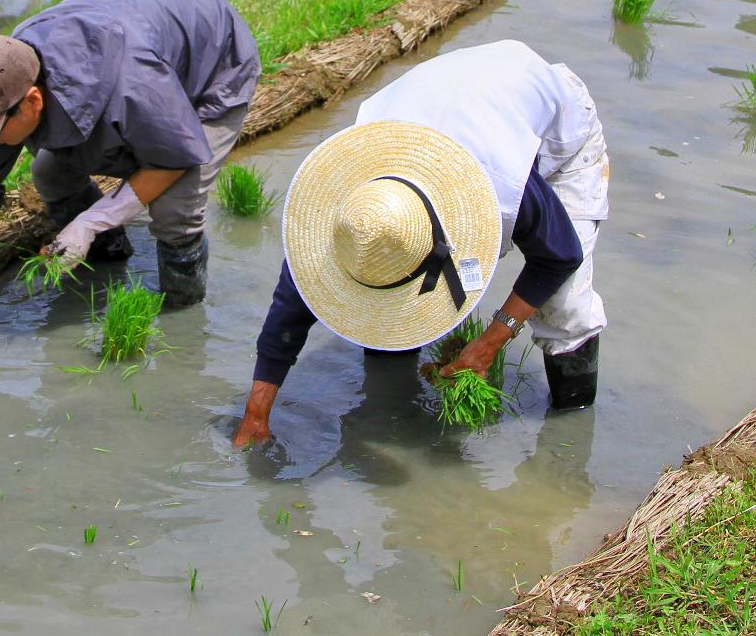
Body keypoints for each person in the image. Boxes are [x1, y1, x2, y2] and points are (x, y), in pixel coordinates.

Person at [233, 40, 609, 448]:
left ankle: (569, 443)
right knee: (384, 301)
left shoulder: (499, 182)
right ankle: (393, 409)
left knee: (565, 309)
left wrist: (490, 342)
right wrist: (256, 415)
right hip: (455, 103)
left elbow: (560, 256)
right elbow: (288, 313)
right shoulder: (347, 216)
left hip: (555, 123)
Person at [0, 0, 259, 345]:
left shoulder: (130, 80)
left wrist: (90, 222)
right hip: (133, 39)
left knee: (175, 208)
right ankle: (107, 259)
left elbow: (172, 159)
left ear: (33, 101)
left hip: (213, 62)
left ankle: (184, 316)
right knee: (49, 171)